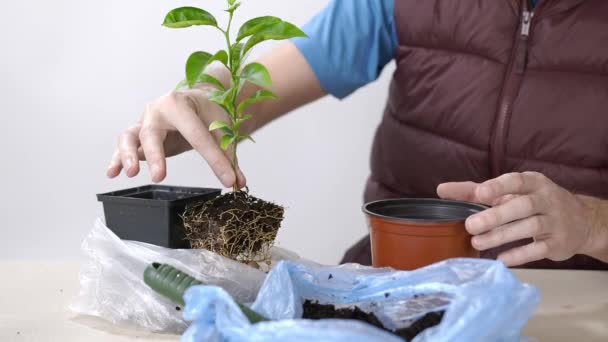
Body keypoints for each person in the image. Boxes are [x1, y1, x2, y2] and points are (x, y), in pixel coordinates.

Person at [107, 0, 608, 269]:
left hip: (566, 310)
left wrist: (592, 224)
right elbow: (252, 88)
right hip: (386, 291)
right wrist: (195, 103)